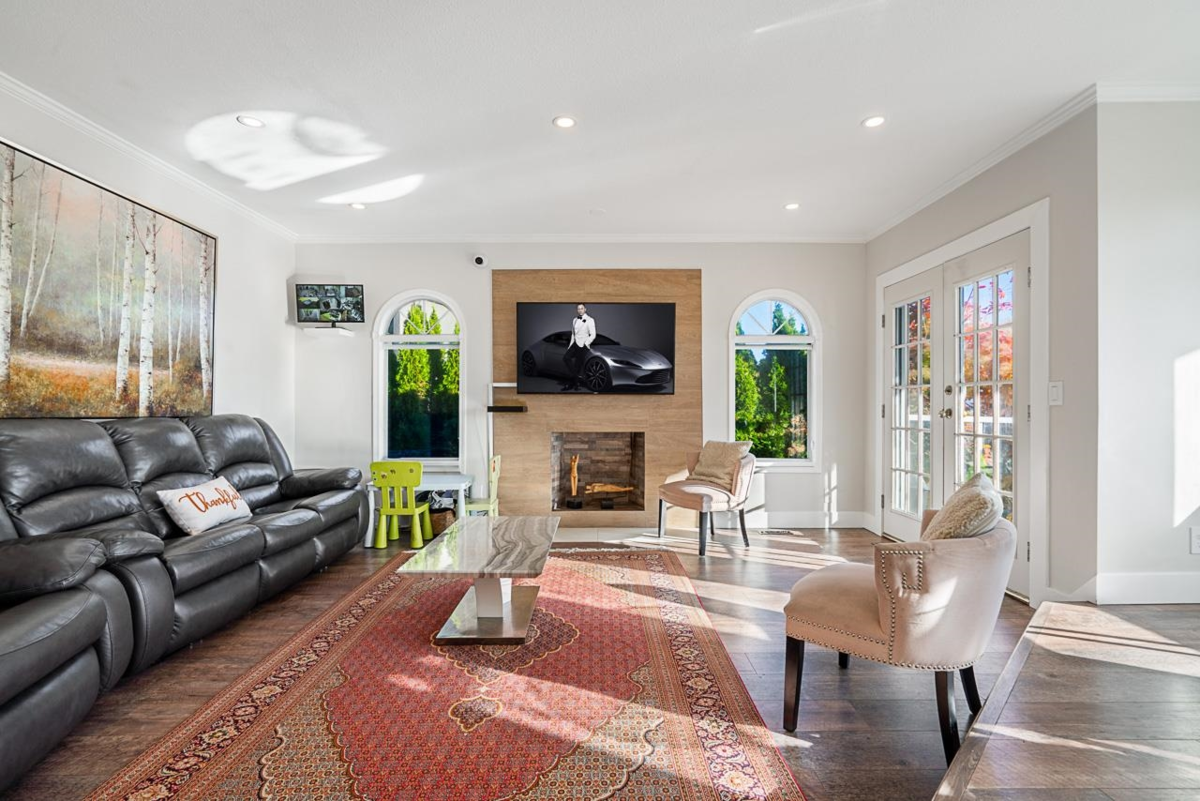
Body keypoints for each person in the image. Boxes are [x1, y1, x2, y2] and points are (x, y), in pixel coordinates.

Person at [562, 303, 596, 391]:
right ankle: (577, 380)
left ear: (585, 309)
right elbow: (573, 334)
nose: (580, 310)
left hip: (583, 345)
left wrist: (586, 343)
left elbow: (593, 334)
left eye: (582, 308)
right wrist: (570, 346)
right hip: (575, 343)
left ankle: (572, 385)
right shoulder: (574, 320)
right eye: (578, 309)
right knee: (566, 358)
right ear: (577, 310)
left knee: (577, 366)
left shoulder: (590, 320)